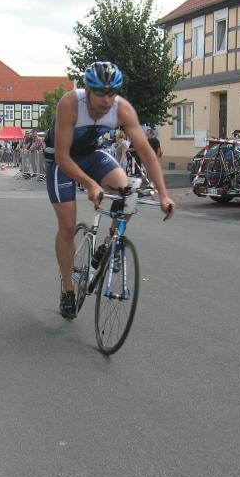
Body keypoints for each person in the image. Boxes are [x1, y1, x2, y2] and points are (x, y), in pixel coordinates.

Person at [46, 61, 175, 319]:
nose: (107, 100)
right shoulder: (70, 104)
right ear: (87, 90)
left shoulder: (122, 109)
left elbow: (146, 152)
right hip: (62, 160)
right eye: (100, 93)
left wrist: (163, 194)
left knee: (129, 192)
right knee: (67, 227)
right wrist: (91, 184)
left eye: (112, 93)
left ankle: (107, 246)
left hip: (91, 155)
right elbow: (62, 156)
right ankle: (68, 290)